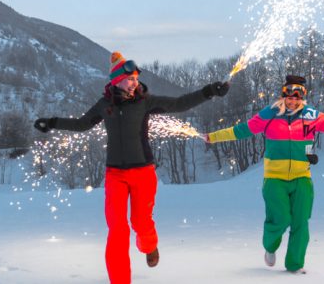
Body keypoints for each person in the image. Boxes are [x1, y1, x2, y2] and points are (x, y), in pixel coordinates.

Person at [33, 52, 230, 284]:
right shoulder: (104, 104)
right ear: (116, 81)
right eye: (130, 78)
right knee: (117, 230)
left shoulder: (145, 101)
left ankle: (149, 246)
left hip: (143, 172)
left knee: (141, 222)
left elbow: (178, 104)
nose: (134, 82)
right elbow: (82, 124)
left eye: (136, 78)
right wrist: (53, 122)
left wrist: (209, 92)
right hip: (114, 174)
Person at [204, 75, 324, 274]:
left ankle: (295, 264)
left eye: (297, 97)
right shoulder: (270, 114)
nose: (292, 101)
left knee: (301, 221)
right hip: (275, 179)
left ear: (303, 97)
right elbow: (242, 130)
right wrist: (213, 137)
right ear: (283, 96)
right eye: (289, 97)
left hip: (302, 179)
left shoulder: (310, 115)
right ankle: (270, 246)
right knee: (281, 218)